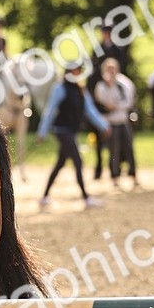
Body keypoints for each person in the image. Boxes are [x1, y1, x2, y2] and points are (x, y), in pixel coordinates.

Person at [36, 60, 111, 208]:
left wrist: (104, 126)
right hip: (62, 130)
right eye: (75, 71)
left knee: (60, 163)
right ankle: (86, 197)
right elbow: (50, 112)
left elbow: (90, 111)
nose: (78, 73)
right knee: (78, 161)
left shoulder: (81, 90)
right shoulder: (59, 88)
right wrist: (42, 132)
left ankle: (44, 197)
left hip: (71, 130)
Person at [94, 58, 140, 186]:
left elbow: (128, 102)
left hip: (123, 120)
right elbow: (101, 102)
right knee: (113, 150)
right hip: (110, 122)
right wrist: (109, 86)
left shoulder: (124, 83)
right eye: (108, 69)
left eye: (113, 69)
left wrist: (115, 106)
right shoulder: (102, 85)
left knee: (129, 148)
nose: (111, 72)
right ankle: (115, 175)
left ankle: (133, 174)